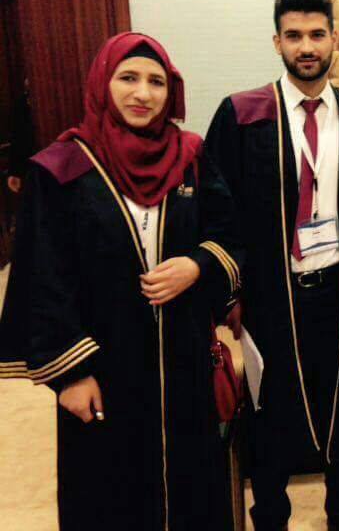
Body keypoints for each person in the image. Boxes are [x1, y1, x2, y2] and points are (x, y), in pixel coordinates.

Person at [0, 32, 243, 531]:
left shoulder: (190, 157)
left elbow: (231, 235)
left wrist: (198, 264)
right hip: (105, 369)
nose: (143, 93)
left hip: (183, 362)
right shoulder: (61, 169)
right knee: (110, 492)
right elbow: (45, 278)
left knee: (193, 489)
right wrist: (70, 375)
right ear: (102, 83)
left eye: (157, 82)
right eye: (128, 78)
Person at [205, 0, 339, 531]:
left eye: (317, 34)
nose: (307, 46)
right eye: (294, 35)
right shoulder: (242, 115)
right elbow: (217, 211)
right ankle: (271, 515)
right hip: (269, 294)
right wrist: (229, 296)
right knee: (269, 411)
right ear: (276, 41)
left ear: (335, 39)